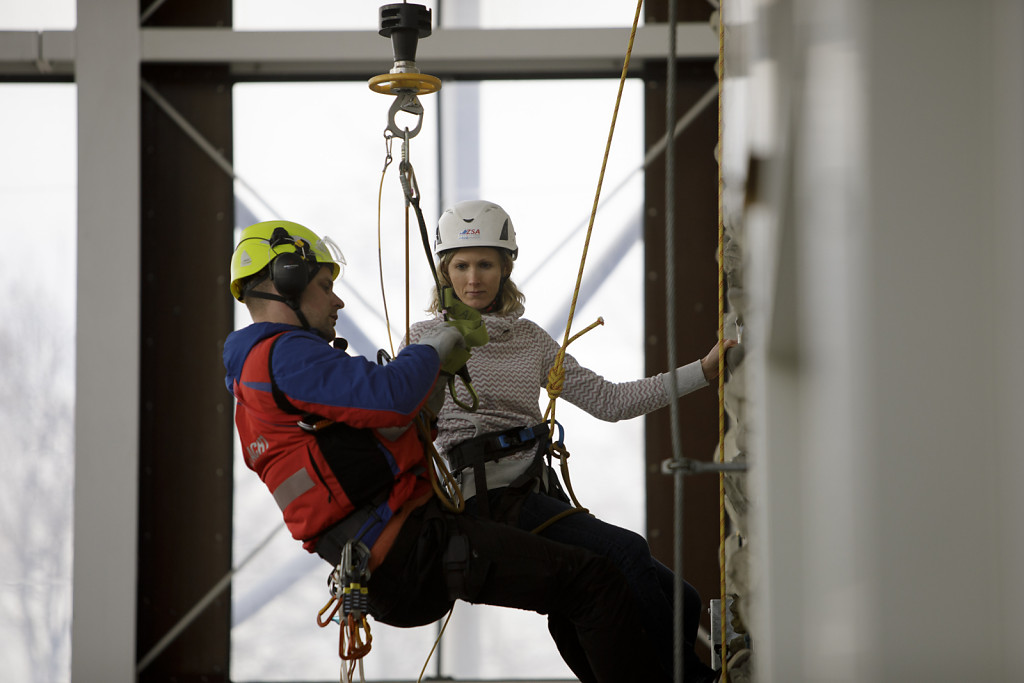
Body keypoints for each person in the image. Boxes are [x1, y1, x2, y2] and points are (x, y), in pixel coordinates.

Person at [222, 219, 671, 683]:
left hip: (397, 551)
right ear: (289, 279)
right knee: (596, 579)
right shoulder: (285, 355)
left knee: (589, 588)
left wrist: (433, 387)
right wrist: (434, 351)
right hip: (414, 547)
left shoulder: (257, 376)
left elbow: (393, 430)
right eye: (324, 285)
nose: (337, 300)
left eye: (485, 265)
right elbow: (394, 395)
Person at [406, 200, 737, 683]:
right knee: (625, 554)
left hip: (534, 491)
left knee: (680, 598)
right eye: (461, 265)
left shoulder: (530, 340)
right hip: (485, 496)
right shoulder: (427, 338)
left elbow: (609, 401)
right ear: (445, 271)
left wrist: (701, 374)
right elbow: (404, 414)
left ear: (505, 268)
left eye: (485, 264)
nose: (472, 277)